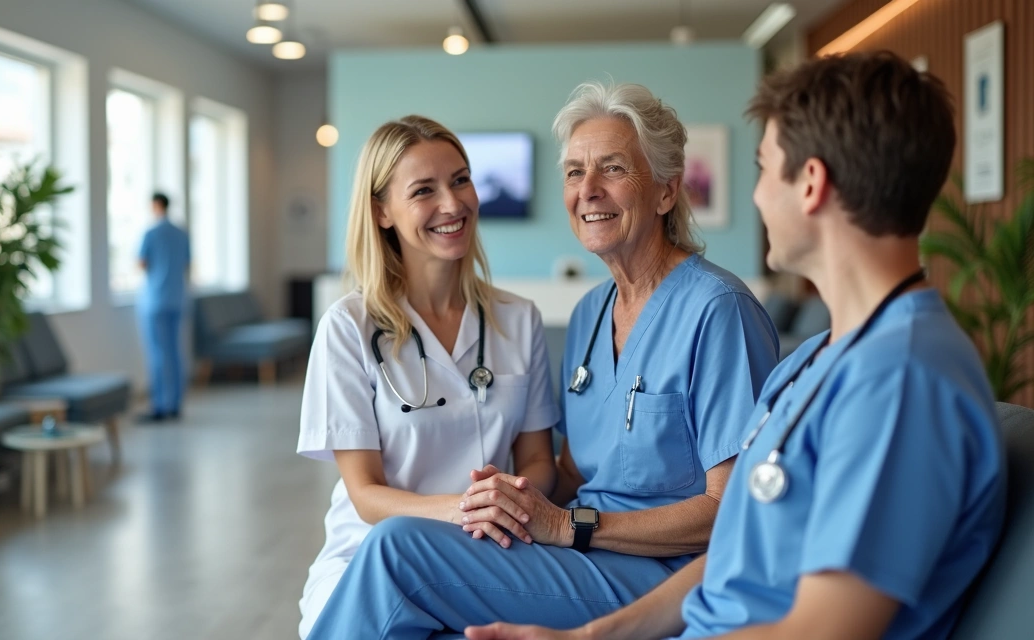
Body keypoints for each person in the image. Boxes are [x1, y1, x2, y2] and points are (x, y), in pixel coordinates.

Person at [464, 51, 1005, 640]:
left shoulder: (900, 381)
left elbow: (823, 632)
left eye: (763, 168)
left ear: (812, 185)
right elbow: (732, 554)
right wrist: (588, 638)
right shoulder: (812, 363)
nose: (754, 198)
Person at [305, 83, 779, 639]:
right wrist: (504, 507)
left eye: (613, 169)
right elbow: (571, 472)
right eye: (575, 172)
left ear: (667, 192)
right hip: (581, 556)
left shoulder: (718, 311)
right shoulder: (589, 315)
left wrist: (565, 525)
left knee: (396, 551)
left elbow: (734, 510)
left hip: (662, 569)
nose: (589, 190)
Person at [295, 115, 560, 638]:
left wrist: (513, 497)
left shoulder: (519, 319)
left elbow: (536, 461)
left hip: (490, 551)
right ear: (382, 211)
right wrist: (468, 506)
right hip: (371, 556)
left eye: (460, 179)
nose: (452, 203)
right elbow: (366, 494)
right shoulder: (348, 328)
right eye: (424, 190)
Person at [137, 192, 191, 423]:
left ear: (156, 206)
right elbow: (187, 263)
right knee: (175, 353)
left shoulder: (151, 233)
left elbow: (141, 263)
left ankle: (160, 406)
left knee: (158, 354)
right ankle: (175, 404)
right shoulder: (181, 233)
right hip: (177, 299)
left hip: (156, 300)